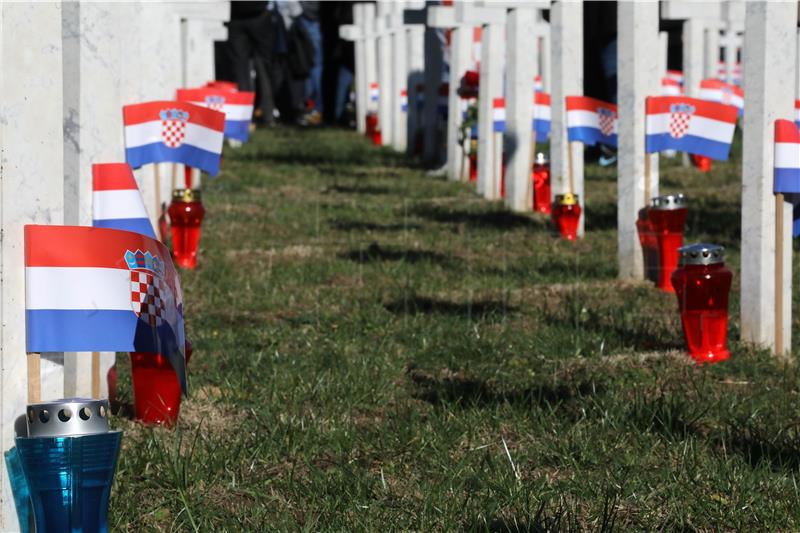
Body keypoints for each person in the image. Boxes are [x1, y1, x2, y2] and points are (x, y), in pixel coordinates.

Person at [227, 2, 276, 125]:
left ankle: (246, 114)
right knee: (263, 66)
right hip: (258, 14)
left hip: (235, 15)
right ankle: (267, 113)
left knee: (240, 69)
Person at [297, 2, 323, 125]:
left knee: (313, 65)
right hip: (312, 17)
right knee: (315, 65)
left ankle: (312, 104)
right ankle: (314, 105)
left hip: (310, 16)